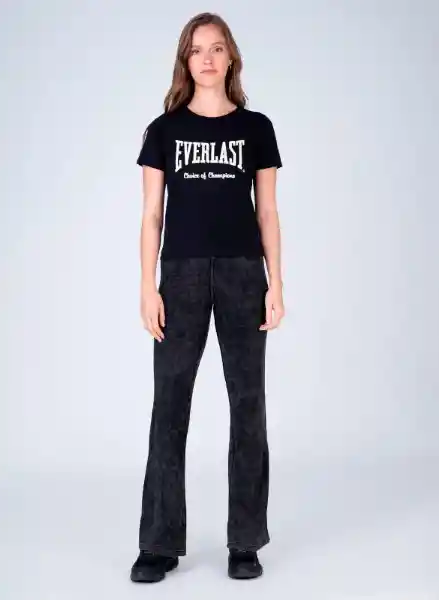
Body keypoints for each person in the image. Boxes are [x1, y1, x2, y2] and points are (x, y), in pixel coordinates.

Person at [130, 11, 285, 583]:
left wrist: (276, 281)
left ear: (231, 57)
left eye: (217, 48)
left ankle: (245, 541)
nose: (208, 59)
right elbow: (152, 215)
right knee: (169, 404)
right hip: (182, 275)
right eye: (197, 50)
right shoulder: (163, 131)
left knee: (248, 404)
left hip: (244, 274)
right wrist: (147, 285)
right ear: (185, 60)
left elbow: (268, 212)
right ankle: (158, 543)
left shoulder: (257, 128)